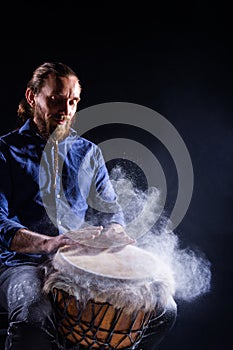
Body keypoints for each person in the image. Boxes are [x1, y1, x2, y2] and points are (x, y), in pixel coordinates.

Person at [0, 62, 177, 350]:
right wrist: (50, 243)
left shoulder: (88, 153)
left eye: (72, 101)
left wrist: (114, 232)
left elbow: (112, 214)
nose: (66, 110)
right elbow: (0, 223)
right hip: (21, 265)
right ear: (33, 98)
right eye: (56, 98)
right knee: (33, 317)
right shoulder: (4, 151)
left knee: (164, 311)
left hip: (76, 265)